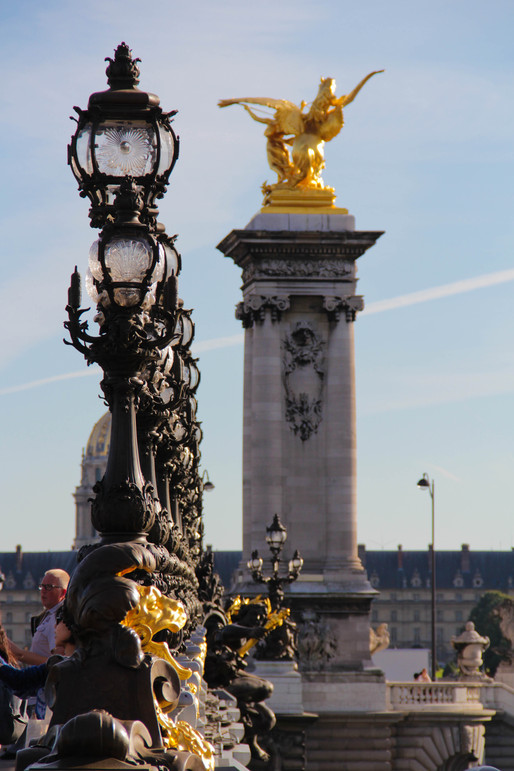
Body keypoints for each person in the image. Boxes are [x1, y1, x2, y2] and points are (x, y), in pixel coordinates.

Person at [10, 570, 69, 666]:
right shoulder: (47, 615)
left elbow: (56, 662)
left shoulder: (58, 619)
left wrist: (18, 653)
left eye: (49, 587)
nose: (43, 591)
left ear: (62, 593)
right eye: (42, 586)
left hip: (44, 679)